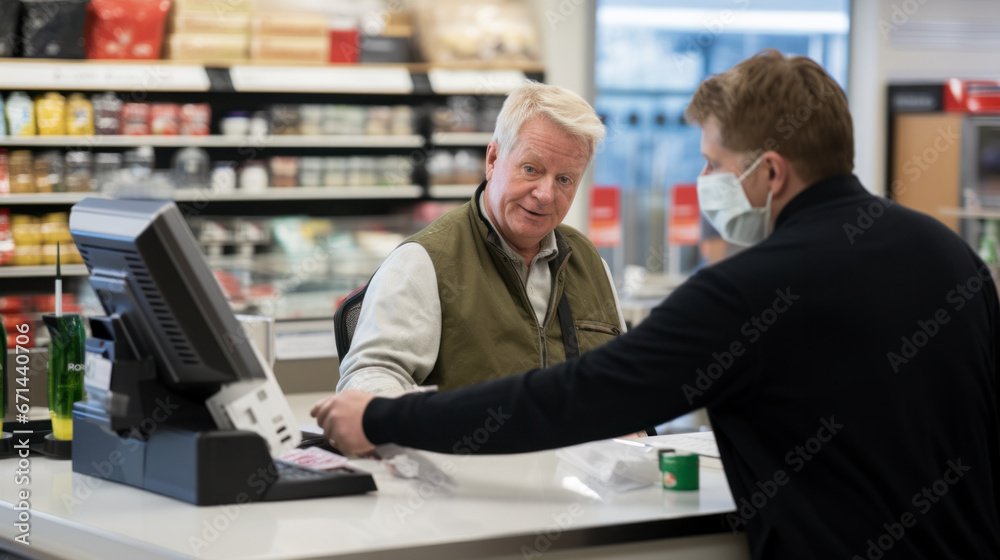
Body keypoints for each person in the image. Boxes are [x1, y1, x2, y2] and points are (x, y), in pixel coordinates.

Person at [313, 50, 1000, 559]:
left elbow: (580, 397)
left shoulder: (748, 291)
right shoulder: (951, 257)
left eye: (711, 163)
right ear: (495, 160)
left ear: (770, 173)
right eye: (531, 169)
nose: (702, 181)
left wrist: (382, 416)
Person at [336, 82, 626, 395]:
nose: (545, 194)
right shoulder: (425, 262)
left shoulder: (589, 261)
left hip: (588, 445)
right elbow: (367, 385)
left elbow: (623, 377)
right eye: (531, 169)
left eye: (565, 179)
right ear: (492, 160)